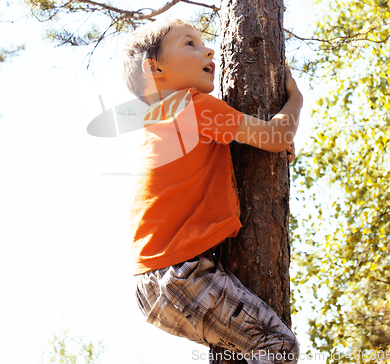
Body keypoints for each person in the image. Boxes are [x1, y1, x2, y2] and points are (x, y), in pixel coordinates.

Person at [120, 18, 303, 363]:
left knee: (238, 354)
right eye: (189, 43)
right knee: (276, 345)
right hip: (178, 275)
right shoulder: (193, 106)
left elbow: (228, 156)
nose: (209, 49)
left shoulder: (164, 124)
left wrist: (270, 145)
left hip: (157, 282)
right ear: (154, 67)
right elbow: (278, 136)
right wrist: (295, 99)